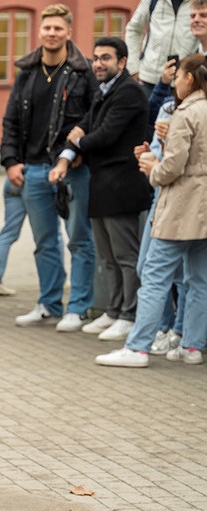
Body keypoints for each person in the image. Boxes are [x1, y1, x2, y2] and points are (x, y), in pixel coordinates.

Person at [97, 53, 207, 367]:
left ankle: (138, 347)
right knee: (199, 280)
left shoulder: (185, 112)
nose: (175, 82)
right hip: (203, 209)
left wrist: (152, 169)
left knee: (154, 275)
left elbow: (172, 167)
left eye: (178, 76)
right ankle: (192, 347)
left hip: (180, 207)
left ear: (189, 78)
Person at [2, 4, 99, 331]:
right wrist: (10, 161)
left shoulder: (83, 72)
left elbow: (93, 117)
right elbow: (11, 120)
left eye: (58, 28)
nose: (52, 33)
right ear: (39, 31)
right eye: (47, 28)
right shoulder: (27, 72)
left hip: (72, 168)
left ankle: (79, 307)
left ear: (69, 32)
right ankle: (48, 304)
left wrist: (77, 151)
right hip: (32, 169)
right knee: (45, 242)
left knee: (79, 239)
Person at [56, 37, 151, 342]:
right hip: (102, 183)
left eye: (105, 58)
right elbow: (88, 122)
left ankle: (129, 315)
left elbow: (107, 134)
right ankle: (113, 310)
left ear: (122, 62)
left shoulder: (129, 92)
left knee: (125, 256)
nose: (98, 64)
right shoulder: (103, 90)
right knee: (107, 256)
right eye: (95, 58)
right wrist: (79, 138)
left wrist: (79, 141)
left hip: (123, 184)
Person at [125, 0, 207, 94]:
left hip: (188, 82)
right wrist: (133, 68)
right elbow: (134, 30)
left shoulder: (204, 1)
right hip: (149, 80)